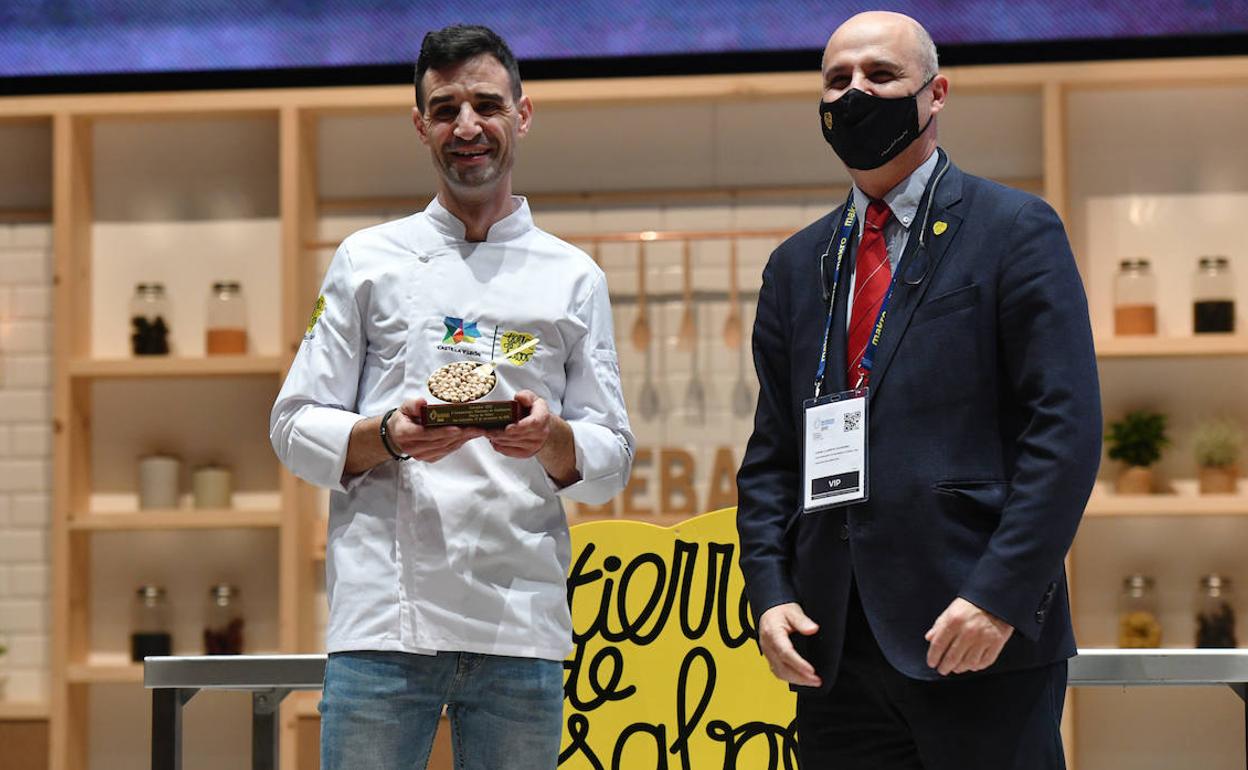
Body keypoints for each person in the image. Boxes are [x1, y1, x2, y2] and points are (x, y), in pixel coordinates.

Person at [736, 11, 1100, 769]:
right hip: (832, 651)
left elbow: (1063, 433)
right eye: (838, 80)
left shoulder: (1015, 230)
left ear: (935, 95)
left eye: (880, 76)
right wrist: (769, 595)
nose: (856, 93)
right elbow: (771, 456)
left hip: (973, 635)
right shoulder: (798, 266)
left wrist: (1000, 595)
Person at [270, 24, 634, 770]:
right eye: (444, 109)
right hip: (383, 624)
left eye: (486, 104)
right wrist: (390, 435)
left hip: (520, 624)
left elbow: (615, 455)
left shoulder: (573, 277)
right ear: (420, 127)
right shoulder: (366, 261)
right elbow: (293, 425)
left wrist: (554, 439)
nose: (467, 126)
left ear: (521, 115)